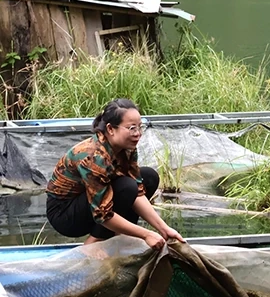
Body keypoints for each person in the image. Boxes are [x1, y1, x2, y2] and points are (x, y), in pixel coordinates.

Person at [46, 98, 185, 250]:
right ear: (111, 129)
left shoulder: (128, 148)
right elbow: (102, 214)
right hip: (65, 214)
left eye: (140, 127)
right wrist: (146, 234)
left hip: (93, 207)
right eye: (132, 128)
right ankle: (94, 243)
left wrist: (164, 229)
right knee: (126, 186)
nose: (137, 134)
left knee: (148, 177)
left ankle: (118, 235)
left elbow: (138, 192)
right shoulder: (93, 157)